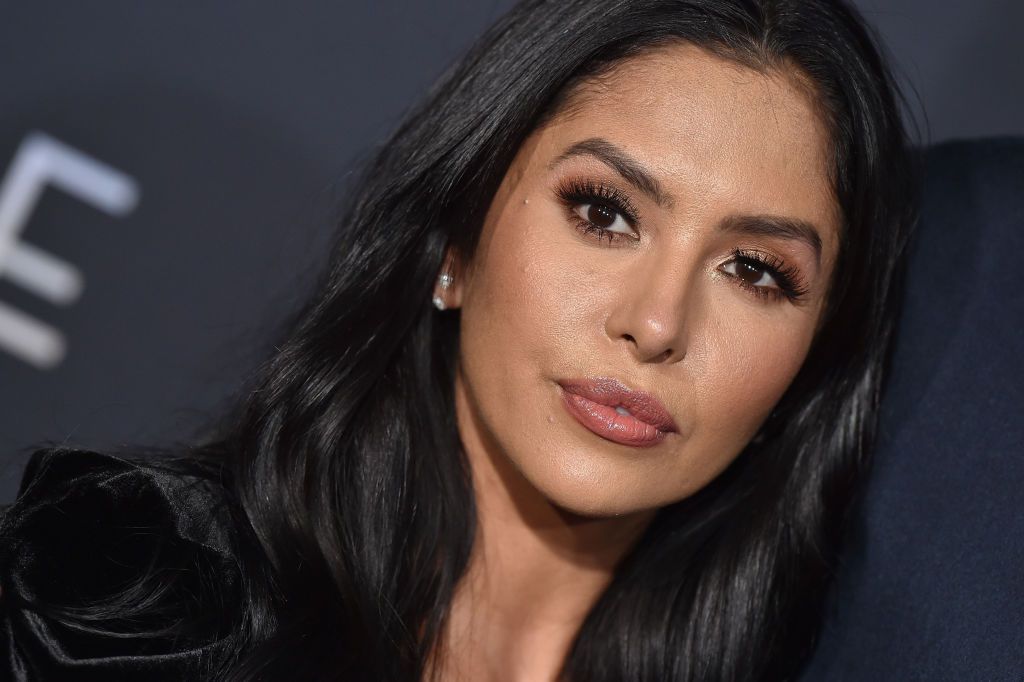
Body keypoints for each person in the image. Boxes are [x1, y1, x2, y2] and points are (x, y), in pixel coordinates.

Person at [0, 0, 917, 680]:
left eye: (755, 270)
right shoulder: (139, 609)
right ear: (456, 246)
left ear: (806, 371)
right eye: (604, 213)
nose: (656, 323)